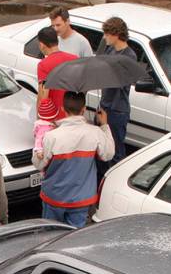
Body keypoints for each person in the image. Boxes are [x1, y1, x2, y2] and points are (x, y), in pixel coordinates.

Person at [33, 91, 115, 227]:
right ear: (84, 109)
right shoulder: (95, 133)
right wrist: (104, 125)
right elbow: (108, 154)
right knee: (74, 240)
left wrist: (37, 152)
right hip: (81, 199)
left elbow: (39, 164)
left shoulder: (52, 136)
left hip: (54, 197)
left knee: (50, 237)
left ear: (62, 109)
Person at [97, 16, 134, 163]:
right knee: (101, 149)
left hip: (117, 110)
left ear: (116, 35)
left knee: (116, 151)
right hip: (105, 105)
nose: (104, 37)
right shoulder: (109, 49)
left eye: (107, 34)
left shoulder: (129, 55)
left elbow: (121, 82)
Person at [36, 26, 77, 122]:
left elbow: (43, 95)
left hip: (55, 117)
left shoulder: (43, 65)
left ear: (42, 45)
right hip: (73, 115)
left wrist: (39, 119)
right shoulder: (74, 59)